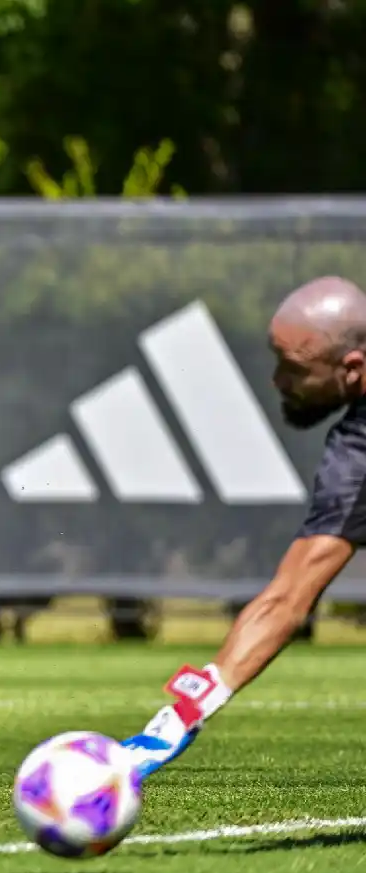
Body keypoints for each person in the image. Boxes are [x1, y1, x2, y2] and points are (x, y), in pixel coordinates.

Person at [123, 275, 366, 776]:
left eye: (295, 369)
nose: (278, 382)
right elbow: (285, 600)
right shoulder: (355, 457)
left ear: (352, 369)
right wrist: (178, 717)